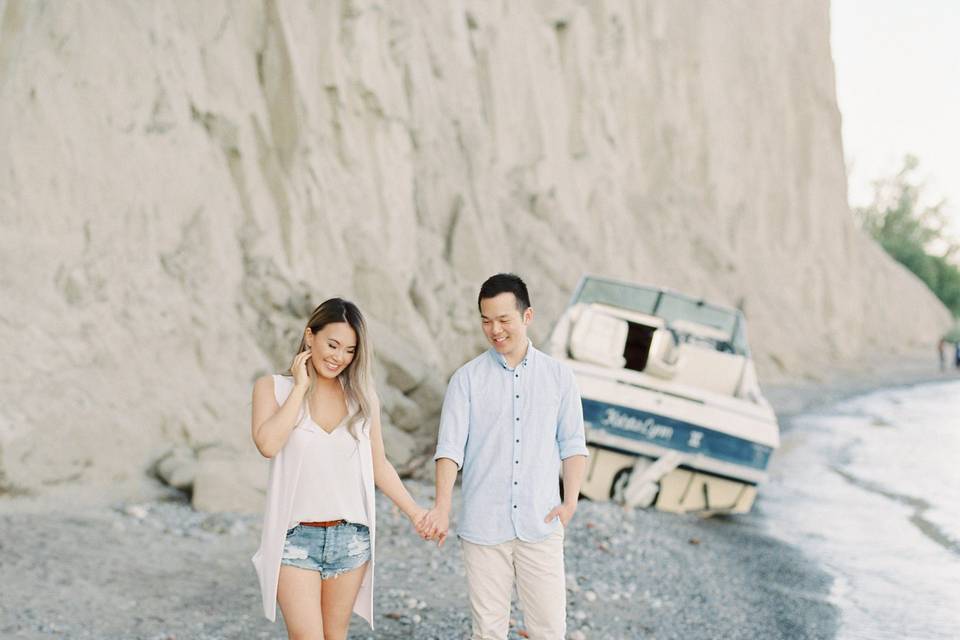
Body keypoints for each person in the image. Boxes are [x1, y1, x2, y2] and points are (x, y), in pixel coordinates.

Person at [418, 273, 589, 640]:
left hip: (541, 524)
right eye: (485, 320)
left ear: (527, 317)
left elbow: (573, 444)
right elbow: (449, 450)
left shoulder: (559, 377)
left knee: (549, 630)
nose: (494, 329)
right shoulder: (465, 379)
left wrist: (570, 501)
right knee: (488, 632)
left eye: (503, 319)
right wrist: (442, 507)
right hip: (483, 526)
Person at [251, 298, 432, 639]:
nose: (339, 357)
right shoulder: (273, 388)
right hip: (295, 540)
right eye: (332, 345)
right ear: (310, 337)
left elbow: (379, 464)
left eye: (349, 350)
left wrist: (415, 513)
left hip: (351, 538)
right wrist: (300, 388)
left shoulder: (362, 398)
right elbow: (268, 444)